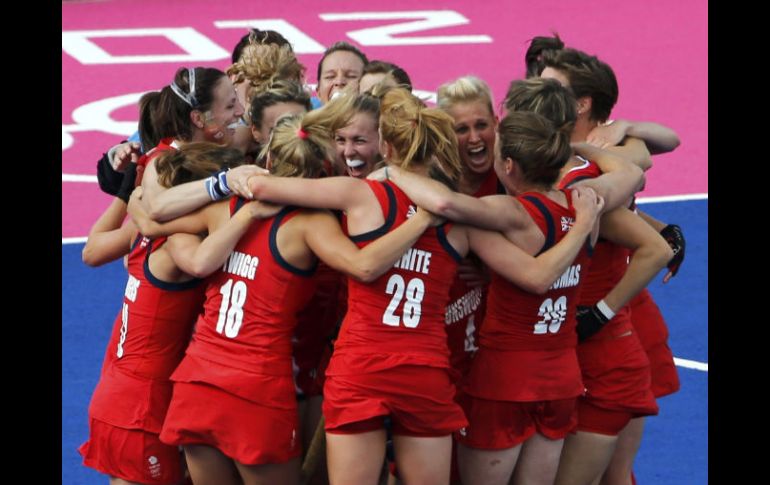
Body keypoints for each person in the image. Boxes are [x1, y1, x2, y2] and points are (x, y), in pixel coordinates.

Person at [244, 87, 604, 485]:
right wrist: (581, 224)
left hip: (361, 368)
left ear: (387, 146)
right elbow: (534, 270)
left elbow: (261, 188)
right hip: (425, 372)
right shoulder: (460, 219)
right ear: (435, 147)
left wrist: (234, 174)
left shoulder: (360, 195)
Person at [128, 100, 447, 485]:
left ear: (267, 159)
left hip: (197, 383)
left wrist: (134, 200)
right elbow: (364, 267)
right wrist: (422, 222)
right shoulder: (312, 224)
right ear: (322, 171)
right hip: (256, 390)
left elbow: (153, 219)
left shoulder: (226, 207)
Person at [526, 37, 685, 485]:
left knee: (609, 472)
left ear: (580, 103)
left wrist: (601, 312)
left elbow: (652, 156)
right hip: (583, 324)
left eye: (548, 88)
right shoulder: (564, 153)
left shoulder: (605, 158)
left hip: (610, 322)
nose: (535, 93)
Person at [78, 142, 259, 485]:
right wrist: (248, 214)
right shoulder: (180, 241)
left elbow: (94, 248)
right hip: (140, 406)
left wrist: (130, 199)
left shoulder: (144, 228)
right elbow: (203, 261)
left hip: (118, 393)